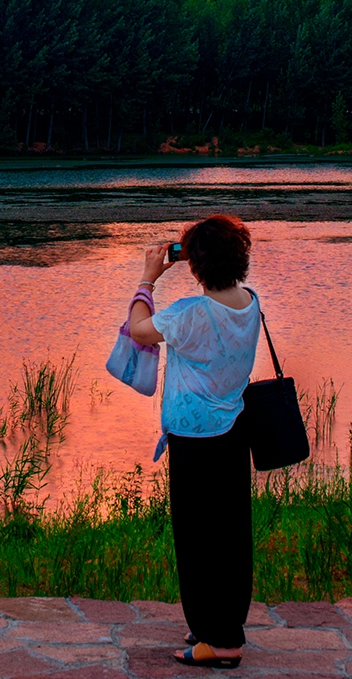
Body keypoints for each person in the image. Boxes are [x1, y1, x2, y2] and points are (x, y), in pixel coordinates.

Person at [127, 214, 260, 669]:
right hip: (234, 426)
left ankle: (220, 641)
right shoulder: (250, 304)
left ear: (196, 266)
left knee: (198, 535)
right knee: (229, 532)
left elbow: (139, 328)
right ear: (238, 259)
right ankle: (219, 623)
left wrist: (148, 277)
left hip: (195, 435)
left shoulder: (189, 314)